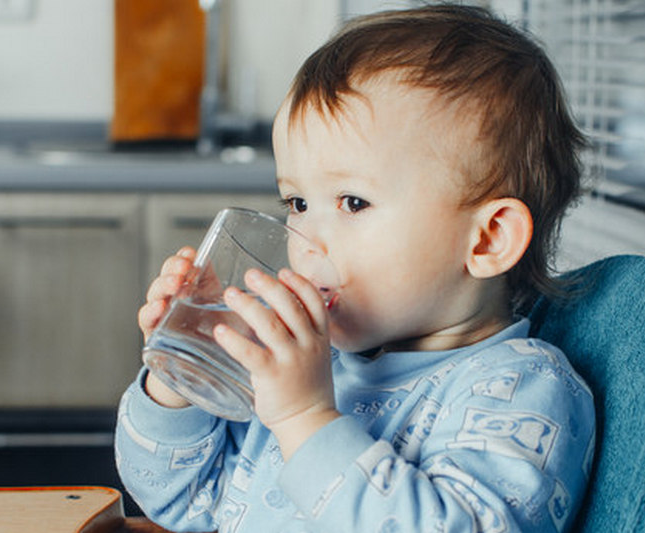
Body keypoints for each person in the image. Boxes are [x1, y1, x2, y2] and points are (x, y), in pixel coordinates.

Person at [115, 4, 596, 532]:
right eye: (297, 203)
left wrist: (305, 419)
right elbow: (185, 503)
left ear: (487, 240)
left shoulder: (519, 387)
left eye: (352, 202)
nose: (306, 240)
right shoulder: (312, 364)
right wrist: (180, 381)